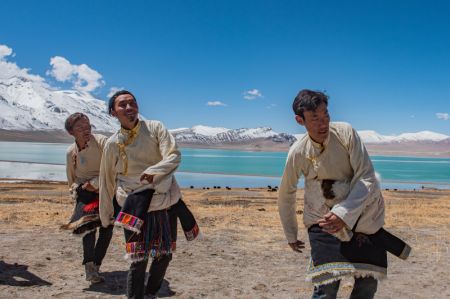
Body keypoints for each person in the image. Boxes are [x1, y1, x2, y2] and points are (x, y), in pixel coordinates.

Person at [278, 89, 406, 299]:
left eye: (326, 115)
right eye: (315, 118)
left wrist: (343, 214)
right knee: (326, 286)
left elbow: (366, 176)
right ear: (300, 120)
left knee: (367, 284)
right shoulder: (298, 152)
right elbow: (286, 194)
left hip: (363, 216)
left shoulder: (346, 133)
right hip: (323, 221)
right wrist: (291, 234)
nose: (323, 123)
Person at [99, 90, 199, 299]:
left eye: (132, 103)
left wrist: (154, 172)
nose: (129, 108)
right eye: (122, 105)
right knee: (138, 259)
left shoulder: (155, 128)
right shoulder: (112, 144)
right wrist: (105, 213)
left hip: (164, 200)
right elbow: (107, 180)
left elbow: (173, 155)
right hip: (133, 206)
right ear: (113, 113)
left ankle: (151, 292)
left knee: (165, 255)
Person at [61, 113, 113, 284]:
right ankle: (90, 268)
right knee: (87, 229)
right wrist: (77, 193)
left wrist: (96, 183)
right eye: (81, 128)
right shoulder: (71, 152)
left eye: (88, 126)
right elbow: (71, 178)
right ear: (71, 133)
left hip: (106, 191)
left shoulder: (102, 142)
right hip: (85, 193)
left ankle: (97, 264)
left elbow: (114, 167)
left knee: (106, 230)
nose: (87, 130)